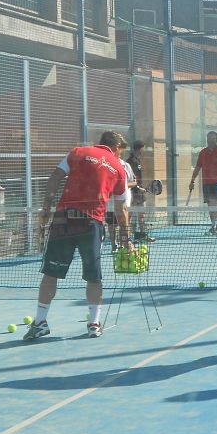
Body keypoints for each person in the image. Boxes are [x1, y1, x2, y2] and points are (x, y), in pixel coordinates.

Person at [24, 131, 133, 341]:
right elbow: (122, 210)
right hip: (91, 224)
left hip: (63, 219)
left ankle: (39, 322)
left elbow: (56, 175)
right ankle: (94, 323)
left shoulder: (78, 152)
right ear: (117, 147)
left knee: (50, 274)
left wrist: (46, 206)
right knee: (94, 277)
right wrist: (127, 239)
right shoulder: (119, 167)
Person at [189, 131, 217, 235]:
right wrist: (192, 180)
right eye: (209, 139)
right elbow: (197, 167)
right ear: (207, 139)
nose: (211, 141)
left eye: (213, 139)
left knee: (213, 201)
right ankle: (214, 224)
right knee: (210, 204)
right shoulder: (203, 152)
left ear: (216, 139)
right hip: (206, 183)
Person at [106, 139, 137, 252]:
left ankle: (125, 243)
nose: (119, 152)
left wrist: (122, 185)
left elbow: (134, 181)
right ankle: (114, 244)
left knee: (125, 224)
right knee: (112, 225)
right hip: (109, 203)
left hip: (125, 202)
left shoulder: (126, 165)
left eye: (120, 149)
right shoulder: (106, 164)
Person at [126, 140, 154, 242]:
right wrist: (136, 188)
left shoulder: (138, 160)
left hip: (140, 193)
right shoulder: (130, 161)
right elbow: (130, 179)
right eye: (144, 148)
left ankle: (142, 235)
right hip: (132, 193)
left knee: (141, 214)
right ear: (140, 148)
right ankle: (127, 237)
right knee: (129, 216)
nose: (145, 150)